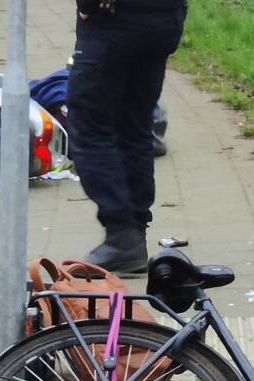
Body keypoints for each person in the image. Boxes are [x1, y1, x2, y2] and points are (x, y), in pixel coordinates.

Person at [68, 0, 187, 273]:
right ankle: (132, 237)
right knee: (134, 126)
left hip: (114, 18)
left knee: (89, 124)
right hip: (163, 19)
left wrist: (87, 5)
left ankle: (123, 234)